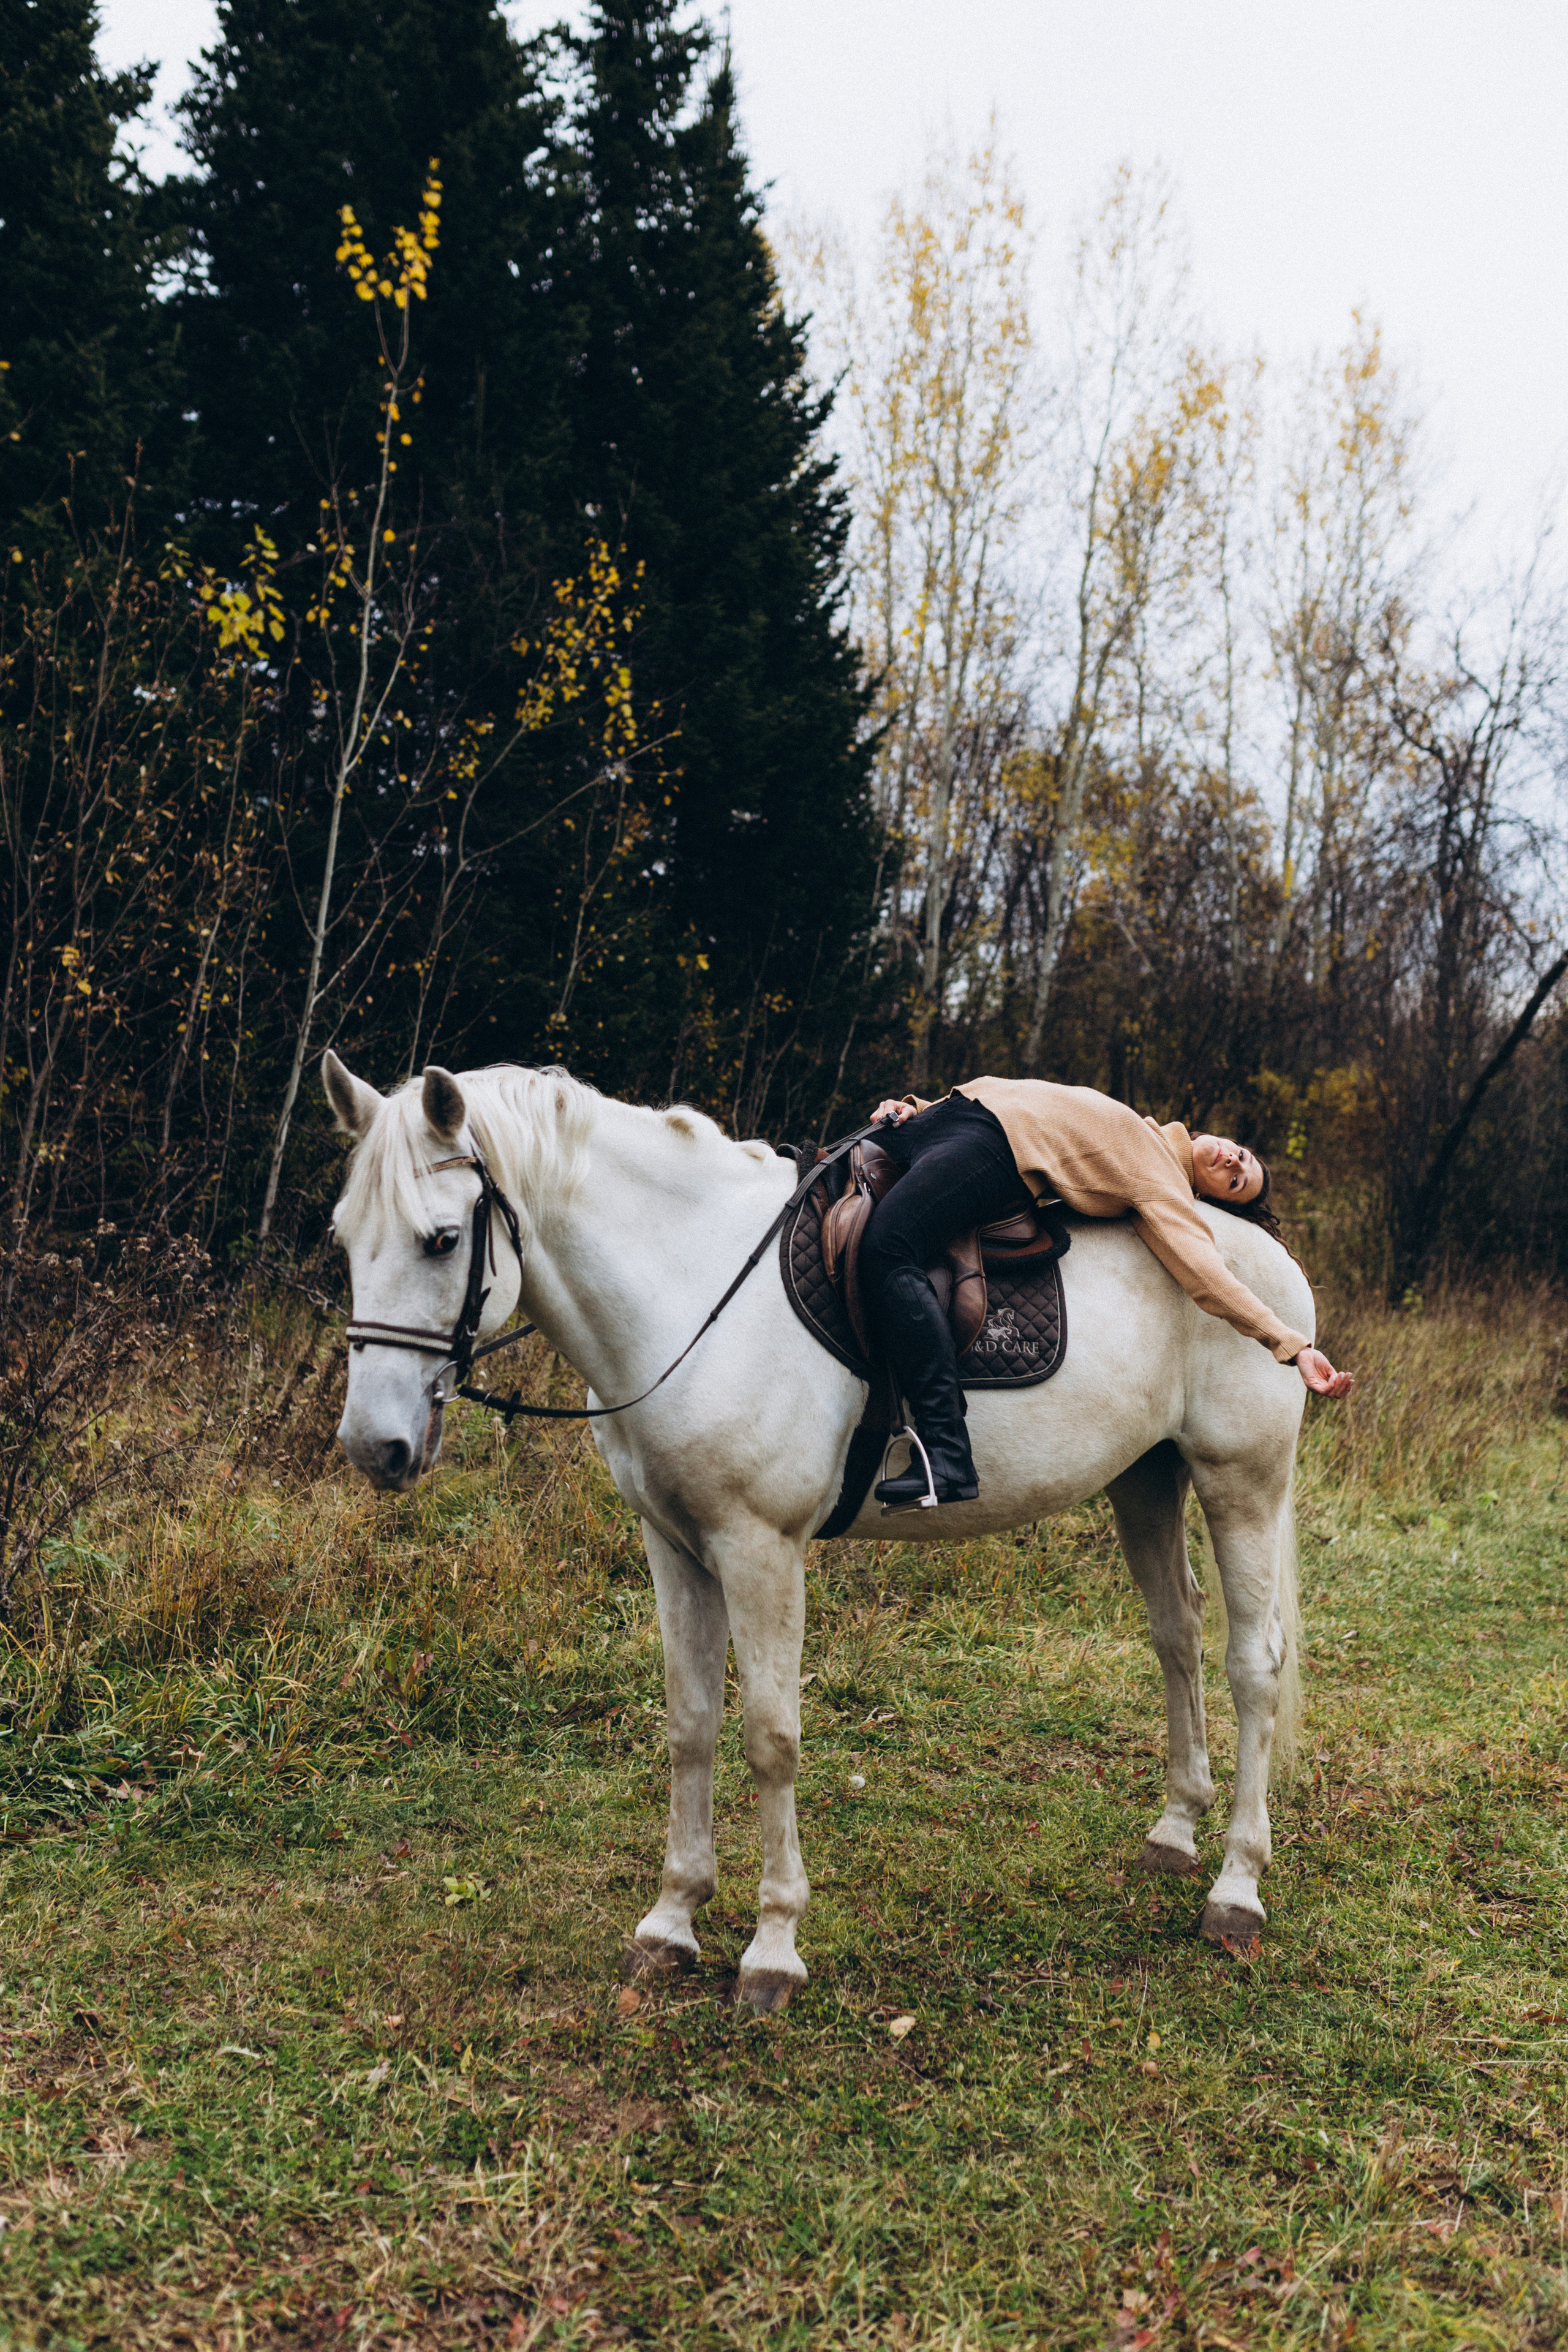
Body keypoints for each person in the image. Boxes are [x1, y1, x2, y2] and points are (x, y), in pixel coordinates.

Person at [862, 1077, 1353, 1510]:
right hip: (956, 1112)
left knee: (887, 1248)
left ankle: (947, 1451)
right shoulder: (1142, 1129)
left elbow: (1208, 1276)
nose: (1232, 1162)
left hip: (995, 1149)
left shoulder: (1162, 1183)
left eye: (1235, 1182)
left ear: (1209, 1199)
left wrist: (1292, 1345)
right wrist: (920, 1109)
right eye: (1240, 1157)